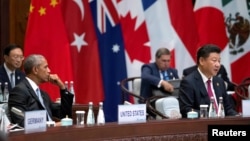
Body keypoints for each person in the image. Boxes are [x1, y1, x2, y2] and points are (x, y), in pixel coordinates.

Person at [8, 54, 74, 127]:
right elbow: (22, 122)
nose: (49, 71)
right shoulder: (19, 91)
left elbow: (65, 115)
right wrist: (53, 125)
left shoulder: (43, 94)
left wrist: (62, 87)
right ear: (35, 70)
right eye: (45, 67)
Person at [178, 44, 238, 118]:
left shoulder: (219, 81)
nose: (218, 65)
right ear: (202, 61)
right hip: (201, 126)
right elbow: (186, 110)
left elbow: (228, 109)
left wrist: (237, 116)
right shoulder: (188, 82)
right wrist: (210, 116)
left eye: (219, 61)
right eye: (214, 60)